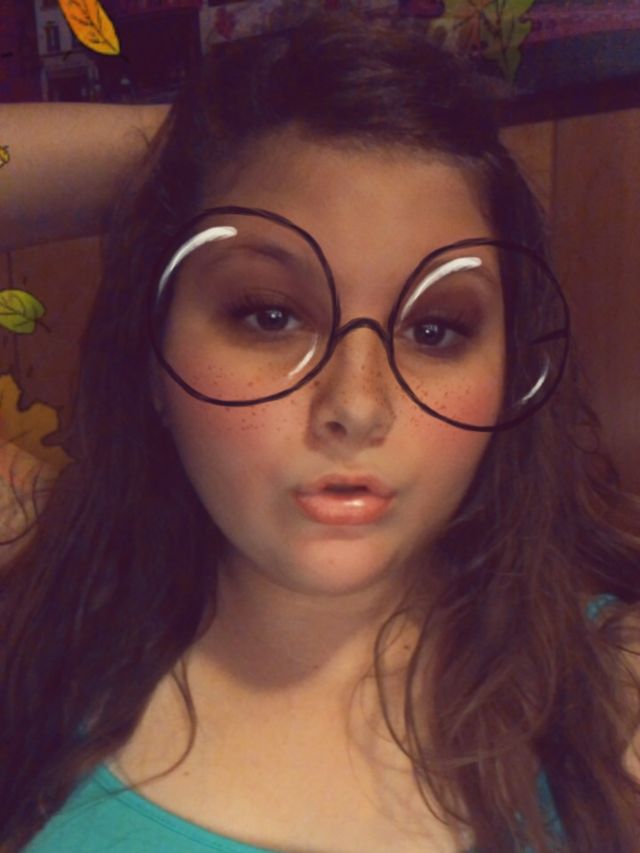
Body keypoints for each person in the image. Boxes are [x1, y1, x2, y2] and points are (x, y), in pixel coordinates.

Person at [2, 10, 640, 853]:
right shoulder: (43, 617)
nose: (359, 405)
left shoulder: (612, 696)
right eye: (270, 314)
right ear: (152, 352)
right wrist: (198, 151)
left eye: (436, 328)